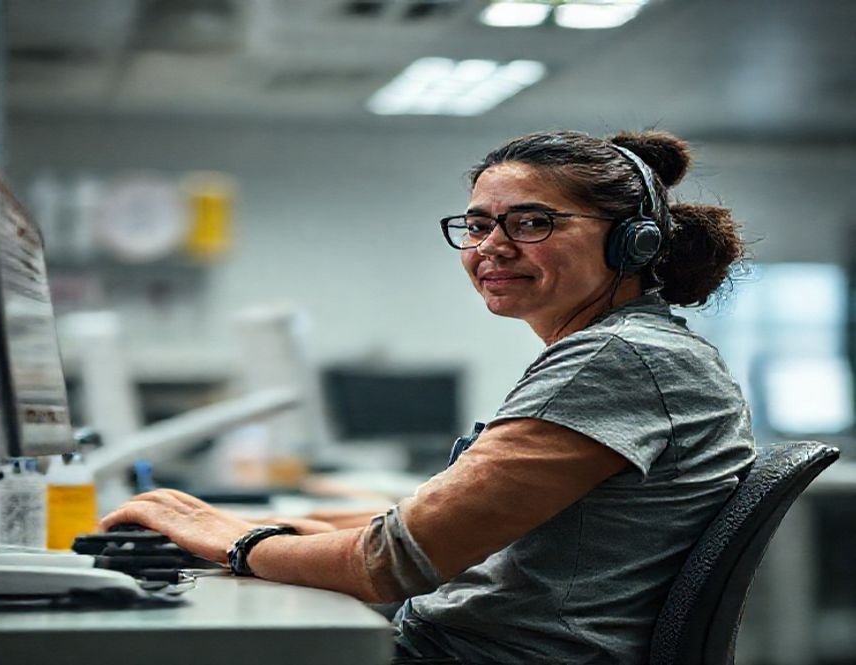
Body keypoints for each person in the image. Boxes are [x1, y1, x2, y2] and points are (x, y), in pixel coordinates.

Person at [101, 129, 756, 664]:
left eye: (531, 222)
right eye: (476, 225)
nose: (492, 247)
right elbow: (430, 537)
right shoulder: (628, 351)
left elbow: (391, 565)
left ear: (631, 240)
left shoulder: (618, 360)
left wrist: (237, 543)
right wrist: (241, 529)